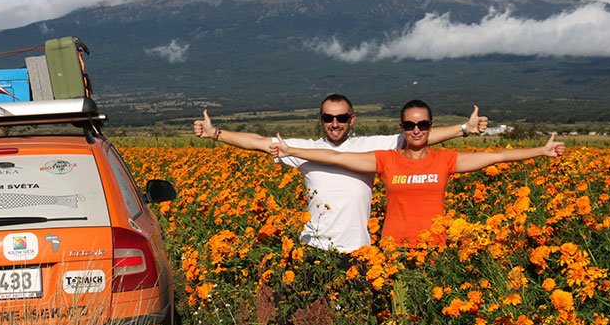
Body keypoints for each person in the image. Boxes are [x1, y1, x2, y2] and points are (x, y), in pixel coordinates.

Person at [194, 94, 488, 252]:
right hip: (313, 246)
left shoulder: (372, 148)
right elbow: (257, 142)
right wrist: (215, 133)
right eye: (328, 118)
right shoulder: (302, 149)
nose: (335, 123)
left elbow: (417, 136)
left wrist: (464, 129)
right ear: (320, 119)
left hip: (357, 249)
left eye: (342, 117)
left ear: (352, 119)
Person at [270, 99, 566, 247]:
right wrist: (291, 150)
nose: (416, 130)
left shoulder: (445, 160)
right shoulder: (386, 160)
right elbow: (335, 156)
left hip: (435, 247)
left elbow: (496, 157)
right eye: (410, 125)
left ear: (430, 127)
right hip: (393, 250)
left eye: (423, 125)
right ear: (402, 128)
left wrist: (541, 151)